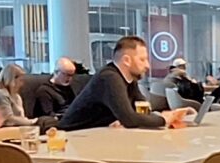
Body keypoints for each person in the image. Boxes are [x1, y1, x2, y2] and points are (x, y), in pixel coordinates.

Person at [59, 36, 197, 131]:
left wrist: (170, 115)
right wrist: (163, 120)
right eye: (142, 60)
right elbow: (129, 119)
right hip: (73, 138)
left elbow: (142, 108)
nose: (147, 65)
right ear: (126, 60)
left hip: (96, 136)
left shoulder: (129, 79)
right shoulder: (109, 77)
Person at [0, 62, 39, 130]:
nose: (22, 84)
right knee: (43, 123)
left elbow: (21, 118)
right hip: (3, 131)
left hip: (17, 130)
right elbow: (8, 119)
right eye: (21, 80)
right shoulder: (0, 94)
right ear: (12, 79)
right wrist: (31, 122)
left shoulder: (17, 97)